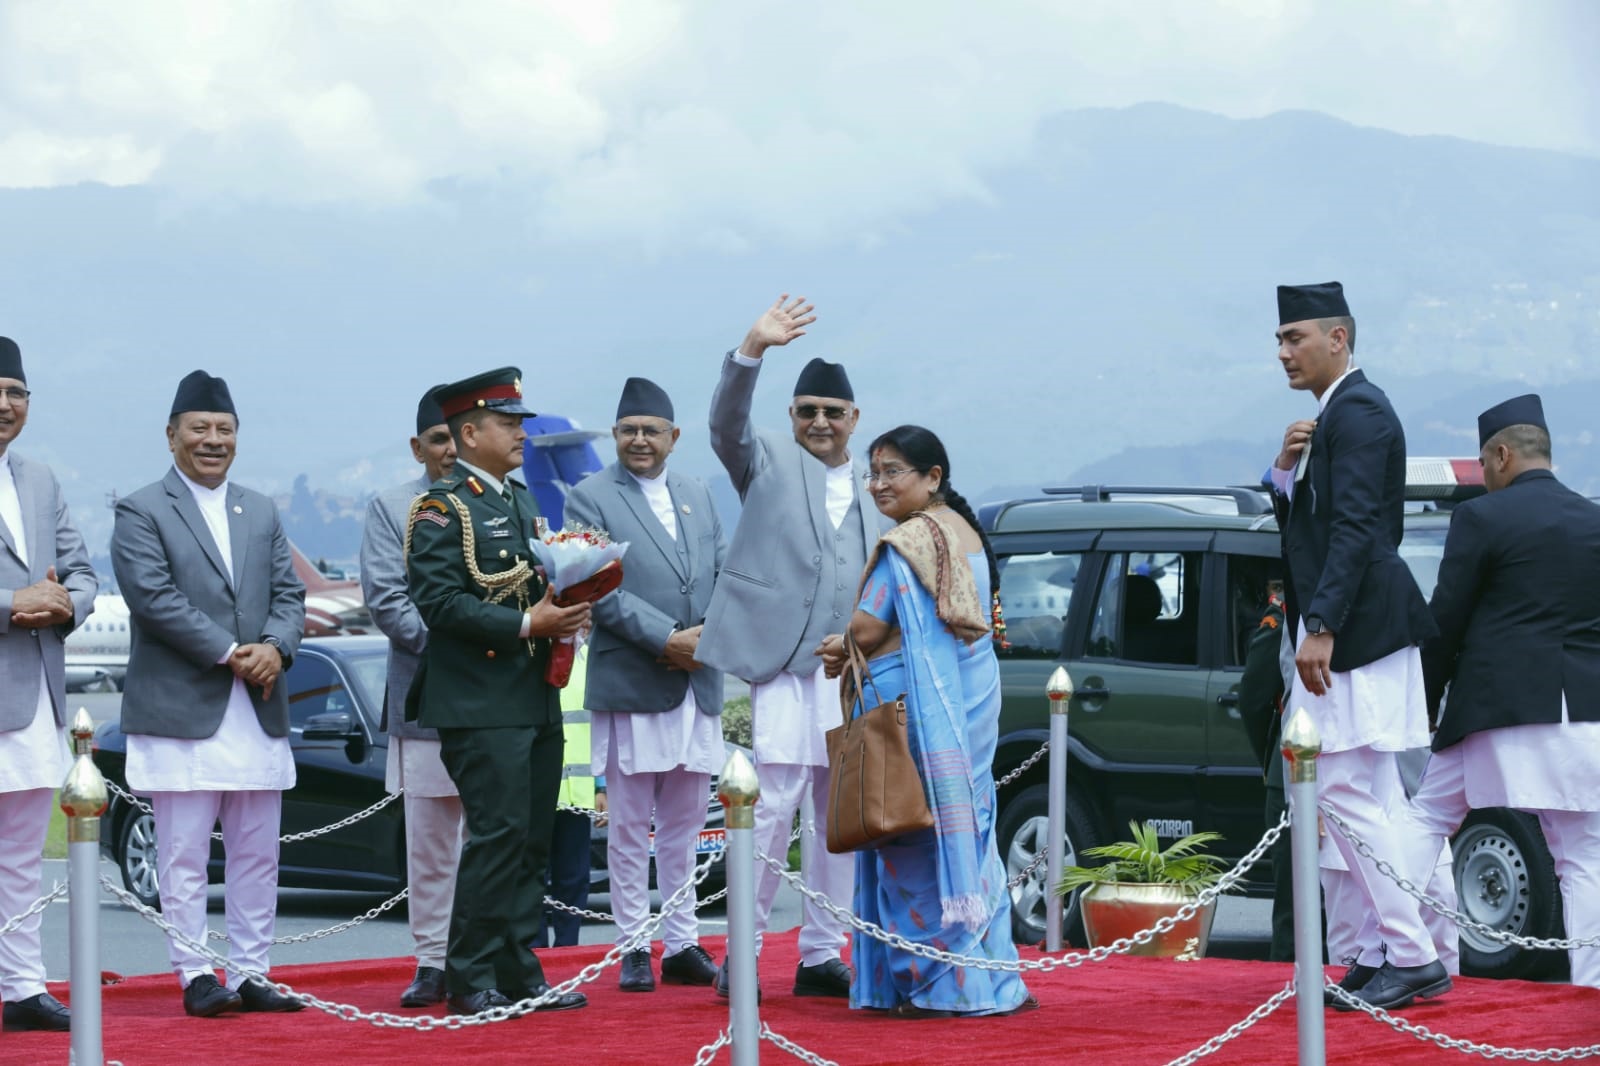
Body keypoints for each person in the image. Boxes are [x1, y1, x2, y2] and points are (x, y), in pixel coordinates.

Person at [698, 295, 887, 999]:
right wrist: (752, 350)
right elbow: (725, 425)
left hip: (846, 679)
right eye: (807, 410)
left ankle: (819, 954)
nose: (819, 422)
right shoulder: (765, 461)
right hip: (780, 667)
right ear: (792, 417)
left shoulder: (878, 486)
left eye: (832, 413)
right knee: (770, 809)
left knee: (835, 817)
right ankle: (739, 958)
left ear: (854, 420)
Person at [1268, 281, 1447, 1011]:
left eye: (1296, 338)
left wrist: (1322, 626)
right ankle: (1381, 953)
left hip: (1360, 632)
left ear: (1338, 338)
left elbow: (1359, 529)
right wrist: (1283, 466)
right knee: (1367, 792)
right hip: (1359, 627)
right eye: (1279, 341)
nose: (1284, 353)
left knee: (1344, 789)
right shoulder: (1331, 415)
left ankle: (1411, 952)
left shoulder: (1361, 411)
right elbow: (1308, 523)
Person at [817, 424, 1032, 1017]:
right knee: (970, 835)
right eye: (875, 473)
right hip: (969, 707)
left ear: (933, 477)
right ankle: (994, 981)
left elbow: (866, 626)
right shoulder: (963, 532)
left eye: (893, 472)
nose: (880, 484)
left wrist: (840, 642)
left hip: (914, 714)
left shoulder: (911, 542)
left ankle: (939, 985)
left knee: (909, 839)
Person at [112, 370, 307, 1018]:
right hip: (183, 709)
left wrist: (276, 648)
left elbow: (289, 594)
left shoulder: (261, 509)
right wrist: (232, 652)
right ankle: (195, 972)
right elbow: (155, 600)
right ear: (172, 436)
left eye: (224, 430)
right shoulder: (141, 509)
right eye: (200, 428)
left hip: (257, 705)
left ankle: (252, 971)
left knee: (257, 853)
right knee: (184, 852)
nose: (213, 440)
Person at [1394, 395, 1600, 989]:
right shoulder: (1593, 520)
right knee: (1582, 856)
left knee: (1425, 817)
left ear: (1502, 454)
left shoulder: (1482, 518)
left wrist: (1422, 708)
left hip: (1497, 711)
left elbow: (1447, 620)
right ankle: (1589, 989)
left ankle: (1399, 953)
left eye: (1484, 465)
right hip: (1582, 714)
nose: (1484, 478)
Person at [404, 366, 590, 1016]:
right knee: (496, 832)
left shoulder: (514, 500)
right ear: (470, 432)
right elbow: (439, 603)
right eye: (508, 424)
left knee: (531, 837)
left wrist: (565, 606)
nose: (521, 433)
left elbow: (528, 580)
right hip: (481, 701)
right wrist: (525, 622)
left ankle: (518, 967)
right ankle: (470, 972)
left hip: (532, 694)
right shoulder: (441, 507)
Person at [564, 377, 726, 992]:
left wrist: (711, 636)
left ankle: (682, 941)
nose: (639, 440)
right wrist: (668, 639)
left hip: (697, 682)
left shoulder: (697, 493)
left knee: (686, 824)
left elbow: (726, 571)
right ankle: (633, 943)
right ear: (615, 435)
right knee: (630, 823)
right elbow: (594, 585)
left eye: (651, 430)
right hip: (635, 678)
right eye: (629, 429)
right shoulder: (589, 495)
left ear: (673, 437)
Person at [0, 336, 96, 1033]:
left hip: (35, 699)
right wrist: (14, 602)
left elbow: (82, 570)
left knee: (20, 855)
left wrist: (67, 603)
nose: (6, 405)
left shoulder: (39, 480)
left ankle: (21, 986)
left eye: (16, 393)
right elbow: (23, 593)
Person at [358, 384, 464, 1008]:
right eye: (437, 440)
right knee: (429, 842)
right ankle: (431, 960)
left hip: (499, 702)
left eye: (458, 436)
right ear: (416, 446)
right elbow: (388, 600)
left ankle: (488, 953)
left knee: (496, 838)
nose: (450, 450)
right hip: (426, 697)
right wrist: (467, 647)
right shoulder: (392, 506)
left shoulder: (498, 498)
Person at [534, 642, 602, 950]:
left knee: (573, 878)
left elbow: (599, 727)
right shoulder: (533, 652)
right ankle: (532, 949)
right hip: (536, 791)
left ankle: (567, 949)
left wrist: (602, 786)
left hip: (579, 794)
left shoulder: (590, 660)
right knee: (532, 874)